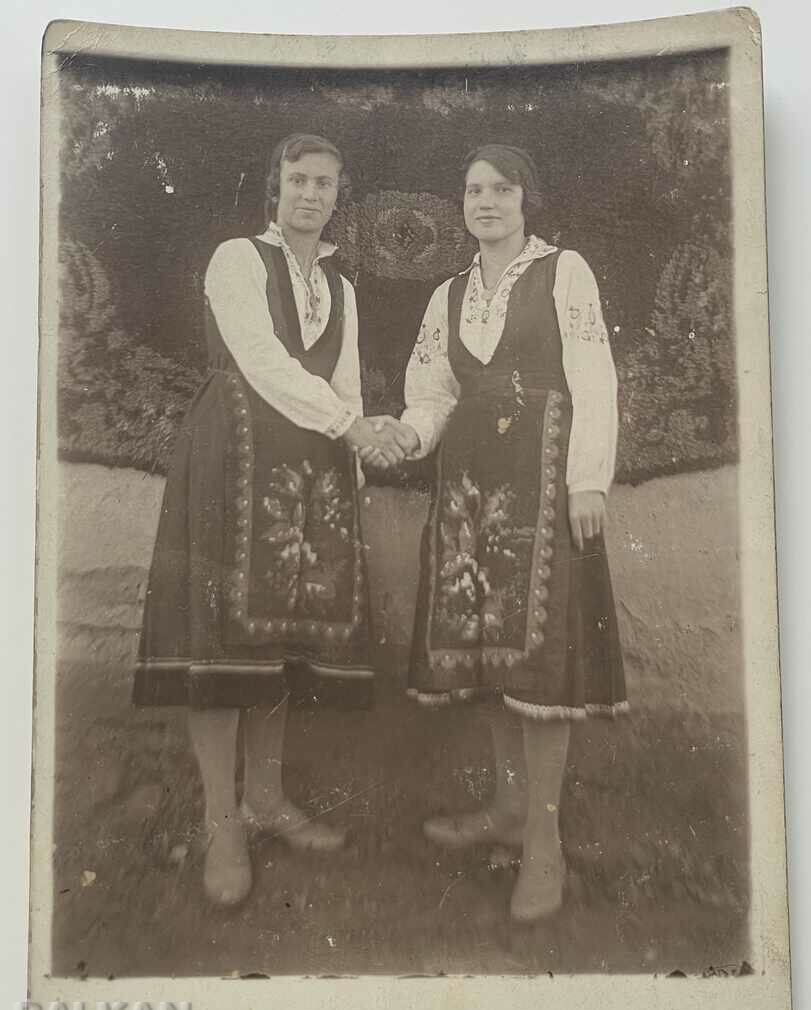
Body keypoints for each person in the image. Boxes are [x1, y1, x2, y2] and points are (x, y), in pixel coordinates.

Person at [134, 132, 409, 907]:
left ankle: (267, 800)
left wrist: (354, 466)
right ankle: (222, 823)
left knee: (281, 640)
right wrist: (349, 428)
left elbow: (346, 385)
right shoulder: (235, 261)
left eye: (324, 182)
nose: (310, 194)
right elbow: (260, 359)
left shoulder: (342, 289)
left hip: (311, 470)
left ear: (337, 196)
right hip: (234, 455)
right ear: (274, 188)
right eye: (298, 179)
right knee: (222, 642)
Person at [362, 144, 627, 922]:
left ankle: (541, 846)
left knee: (540, 665)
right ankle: (507, 811)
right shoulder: (446, 294)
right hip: (472, 486)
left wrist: (587, 480)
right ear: (461, 204)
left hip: (545, 482)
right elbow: (431, 393)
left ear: (524, 199)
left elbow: (594, 374)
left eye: (500, 189)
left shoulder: (563, 271)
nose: (485, 202)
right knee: (486, 651)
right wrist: (406, 440)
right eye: (473, 190)